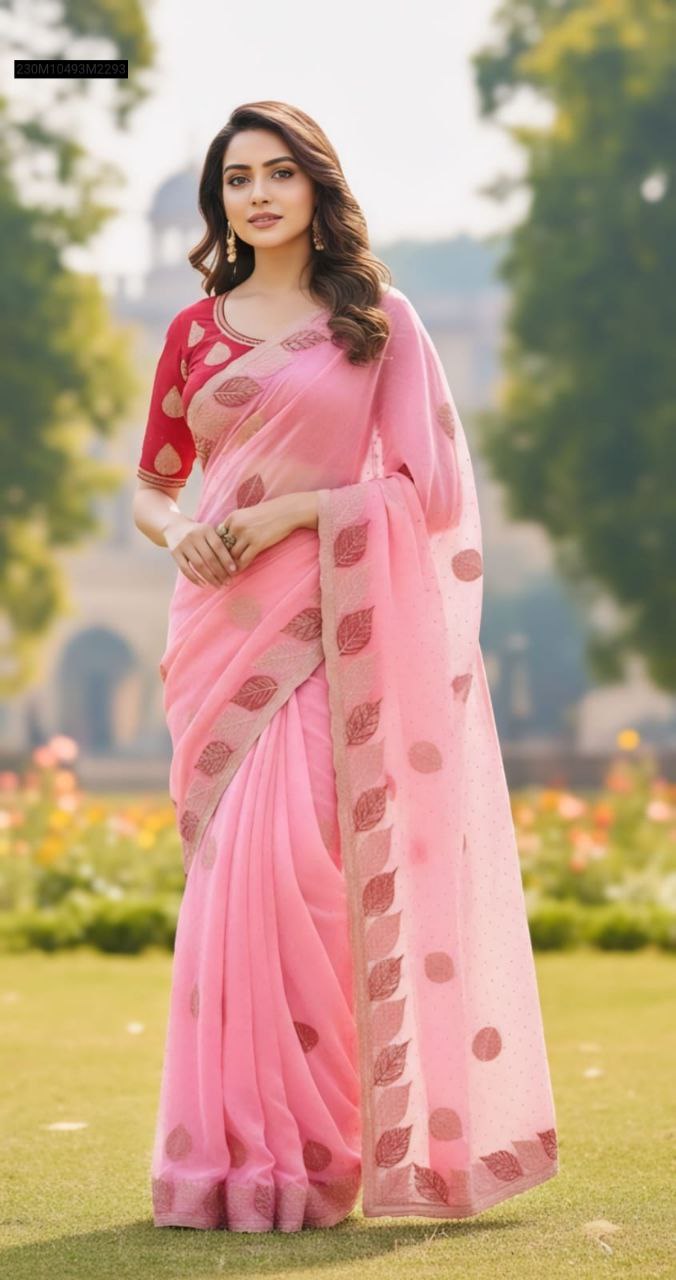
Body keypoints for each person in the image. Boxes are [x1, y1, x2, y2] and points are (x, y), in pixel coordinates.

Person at [133, 100, 559, 1235]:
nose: (258, 195)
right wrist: (185, 535)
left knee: (301, 870)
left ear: (318, 186)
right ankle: (229, 1162)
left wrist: (293, 519)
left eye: (279, 174)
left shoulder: (377, 320)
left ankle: (318, 1154)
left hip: (325, 627)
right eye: (237, 179)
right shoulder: (193, 330)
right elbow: (153, 484)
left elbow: (427, 493)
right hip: (215, 623)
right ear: (218, 200)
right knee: (233, 878)